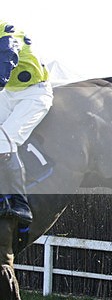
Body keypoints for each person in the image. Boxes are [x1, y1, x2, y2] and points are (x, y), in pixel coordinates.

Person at [0, 21, 53, 227]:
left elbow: (6, 59)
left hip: (34, 94)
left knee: (3, 140)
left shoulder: (7, 35)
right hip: (10, 94)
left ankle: (21, 205)